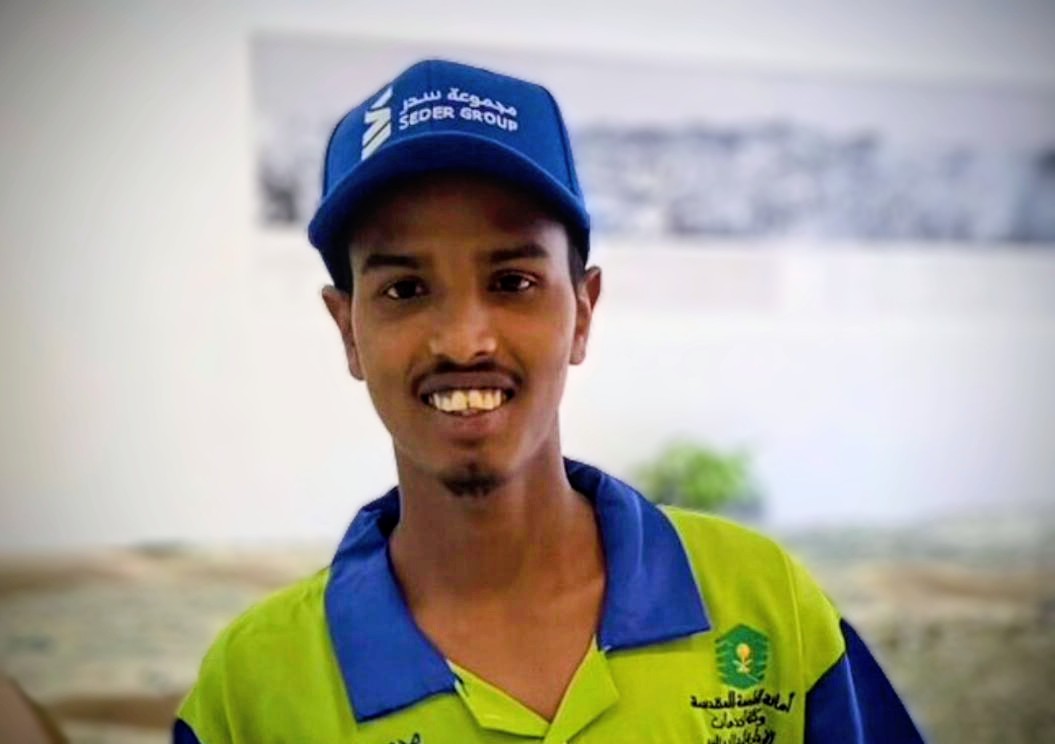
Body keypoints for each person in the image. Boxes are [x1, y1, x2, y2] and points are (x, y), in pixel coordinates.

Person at [173, 59, 926, 743]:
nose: (463, 341)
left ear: (583, 312)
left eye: (512, 282)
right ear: (348, 331)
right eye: (404, 289)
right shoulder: (252, 690)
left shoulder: (763, 603)